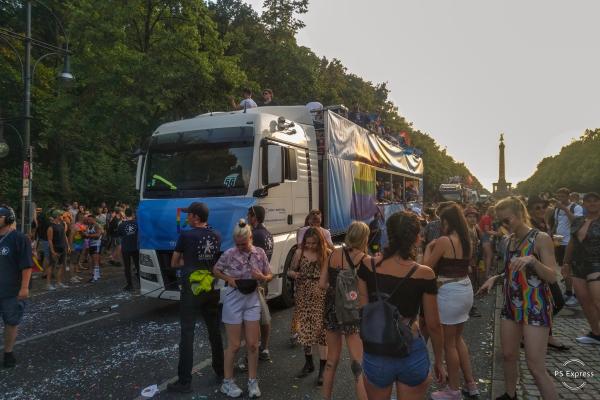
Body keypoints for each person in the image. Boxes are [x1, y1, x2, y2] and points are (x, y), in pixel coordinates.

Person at [477, 196, 559, 400]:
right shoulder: (507, 240)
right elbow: (512, 271)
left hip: (535, 305)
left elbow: (552, 276)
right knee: (508, 355)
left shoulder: (540, 238)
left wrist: (533, 261)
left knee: (535, 367)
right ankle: (510, 394)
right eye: (500, 222)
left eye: (507, 220)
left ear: (521, 214)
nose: (504, 225)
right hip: (511, 304)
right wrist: (496, 278)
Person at [357, 212, 446, 400]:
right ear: (414, 237)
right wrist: (439, 360)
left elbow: (364, 311)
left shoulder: (366, 265)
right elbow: (434, 325)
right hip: (410, 348)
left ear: (389, 233)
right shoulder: (424, 274)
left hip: (377, 349)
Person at [167, 202, 224, 394]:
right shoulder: (216, 235)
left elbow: (174, 262)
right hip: (210, 287)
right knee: (214, 331)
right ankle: (221, 370)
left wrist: (190, 261)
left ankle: (184, 382)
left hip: (191, 290)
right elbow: (214, 261)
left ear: (196, 218)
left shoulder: (186, 235)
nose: (187, 218)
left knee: (187, 334)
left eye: (189, 215)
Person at [213, 219, 273, 398]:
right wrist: (228, 279)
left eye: (244, 244)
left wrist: (262, 276)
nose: (240, 247)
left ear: (251, 238)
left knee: (253, 344)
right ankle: (227, 382)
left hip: (252, 298)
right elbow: (216, 269)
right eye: (237, 244)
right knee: (234, 345)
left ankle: (252, 381)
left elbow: (270, 275)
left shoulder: (260, 253)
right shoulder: (230, 254)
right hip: (234, 299)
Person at [425, 204, 479, 399]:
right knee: (457, 339)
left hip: (449, 292)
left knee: (449, 344)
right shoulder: (468, 239)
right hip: (465, 289)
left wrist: (429, 247)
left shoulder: (444, 240)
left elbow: (426, 267)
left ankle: (454, 390)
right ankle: (471, 384)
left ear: (448, 221)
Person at [319, 222, 369, 400]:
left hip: (332, 309)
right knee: (358, 363)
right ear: (364, 238)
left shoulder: (333, 254)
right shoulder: (364, 259)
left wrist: (336, 288)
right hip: (352, 312)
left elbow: (321, 284)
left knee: (331, 360)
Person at [527, 196, 569, 350]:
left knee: (552, 303)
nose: (541, 210)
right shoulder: (529, 225)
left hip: (545, 268)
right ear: (530, 210)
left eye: (543, 207)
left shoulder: (543, 223)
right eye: (537, 208)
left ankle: (542, 335)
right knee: (555, 302)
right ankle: (540, 335)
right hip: (537, 270)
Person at [288, 228, 329, 385]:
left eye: (314, 243)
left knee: (320, 332)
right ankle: (309, 363)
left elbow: (331, 276)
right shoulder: (299, 253)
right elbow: (290, 271)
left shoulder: (326, 253)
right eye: (308, 242)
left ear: (319, 241)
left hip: (320, 296)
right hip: (303, 295)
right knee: (305, 329)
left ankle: (323, 370)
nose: (310, 246)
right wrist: (296, 274)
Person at [563, 192, 600, 345]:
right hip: (578, 265)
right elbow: (572, 243)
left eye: (595, 201)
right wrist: (566, 263)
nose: (592, 204)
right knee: (585, 302)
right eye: (588, 201)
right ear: (583, 204)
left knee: (598, 301)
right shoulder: (578, 220)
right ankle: (596, 334)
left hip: (596, 263)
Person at [0, 204, 33, 368]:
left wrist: (24, 287)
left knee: (11, 322)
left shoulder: (19, 238)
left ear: (8, 219)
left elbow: (27, 265)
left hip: (11, 290)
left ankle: (8, 352)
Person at [247, 206, 274, 361]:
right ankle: (264, 348)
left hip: (256, 281)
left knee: (256, 319)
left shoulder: (255, 235)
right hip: (264, 279)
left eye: (248, 215)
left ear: (254, 217)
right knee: (265, 316)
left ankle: (256, 349)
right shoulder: (267, 233)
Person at [551, 187, 584, 307]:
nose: (560, 199)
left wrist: (565, 209)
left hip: (571, 242)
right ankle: (568, 292)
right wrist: (551, 234)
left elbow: (576, 222)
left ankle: (576, 295)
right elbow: (557, 223)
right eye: (558, 197)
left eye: (563, 197)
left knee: (571, 268)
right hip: (559, 241)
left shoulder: (576, 207)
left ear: (568, 196)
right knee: (564, 268)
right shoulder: (557, 209)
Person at [46, 209, 70, 290]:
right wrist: (52, 251)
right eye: (61, 215)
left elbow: (64, 235)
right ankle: (48, 284)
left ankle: (58, 283)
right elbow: (49, 240)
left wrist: (68, 246)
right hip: (55, 248)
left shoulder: (63, 224)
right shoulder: (51, 227)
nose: (63, 216)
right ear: (57, 216)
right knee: (51, 266)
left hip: (63, 247)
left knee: (61, 265)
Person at [118, 208, 139, 291]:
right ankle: (142, 283)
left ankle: (130, 285)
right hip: (136, 247)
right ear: (133, 214)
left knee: (127, 267)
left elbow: (119, 234)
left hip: (126, 248)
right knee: (138, 266)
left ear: (125, 215)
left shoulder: (121, 225)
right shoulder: (137, 223)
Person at [83, 214, 103, 282]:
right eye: (88, 220)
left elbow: (98, 234)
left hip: (97, 244)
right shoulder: (89, 226)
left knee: (95, 260)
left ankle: (95, 277)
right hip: (91, 245)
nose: (88, 221)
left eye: (90, 219)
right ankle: (96, 275)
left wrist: (88, 235)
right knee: (92, 260)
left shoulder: (97, 225)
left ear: (94, 219)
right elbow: (86, 234)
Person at [68, 212, 87, 281]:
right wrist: (71, 246)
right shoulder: (75, 225)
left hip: (81, 245)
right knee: (73, 261)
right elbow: (71, 236)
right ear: (79, 217)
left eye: (84, 216)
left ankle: (75, 275)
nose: (84, 217)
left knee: (76, 261)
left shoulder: (83, 225)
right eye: (82, 216)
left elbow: (84, 236)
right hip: (75, 245)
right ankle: (72, 277)